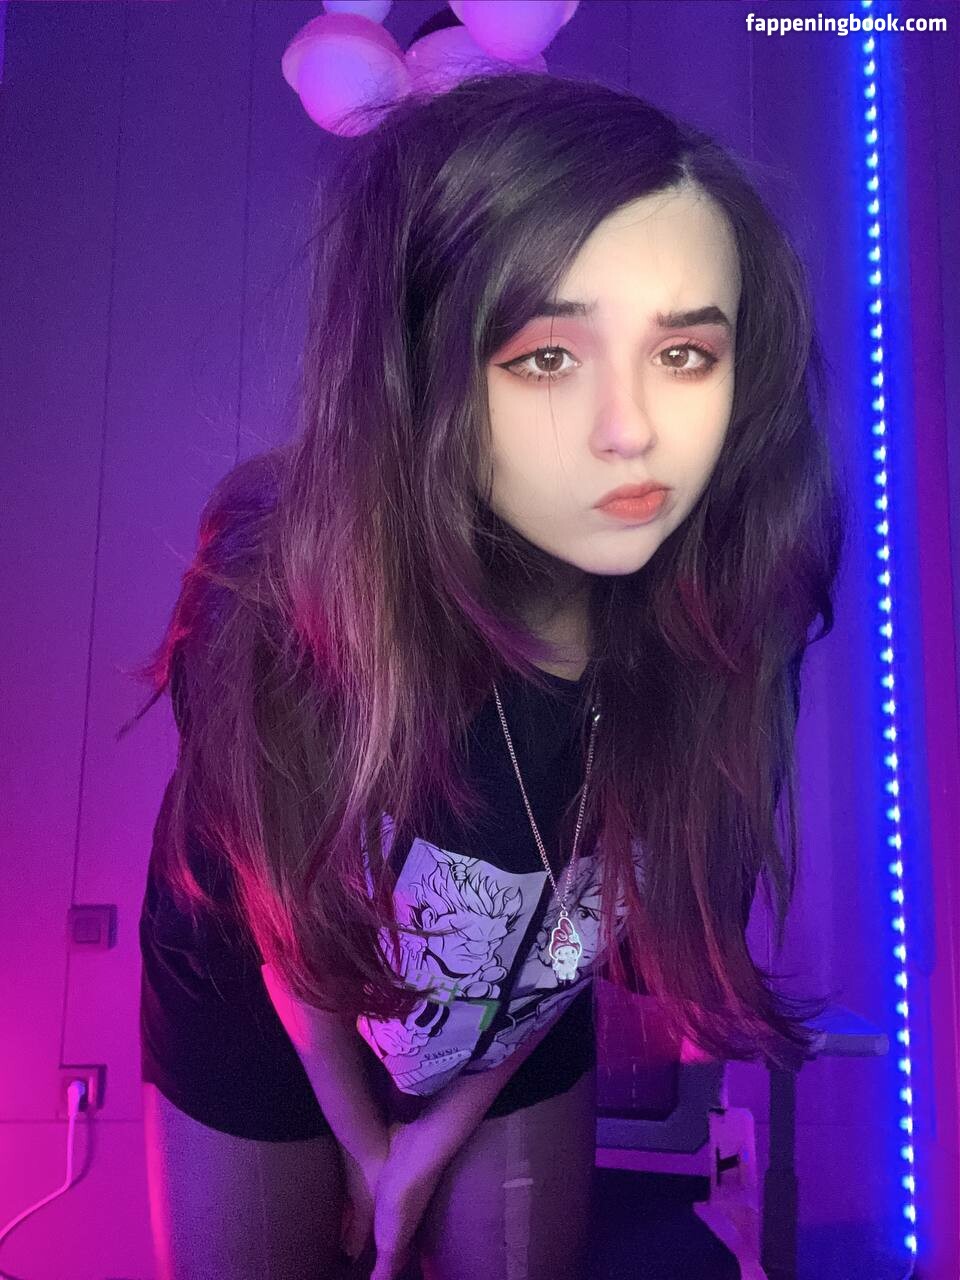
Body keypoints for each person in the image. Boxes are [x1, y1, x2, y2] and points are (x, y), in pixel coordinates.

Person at [129, 71, 848, 1280]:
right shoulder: (282, 575)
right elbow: (283, 916)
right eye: (551, 355)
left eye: (683, 351)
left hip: (510, 1003)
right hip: (265, 994)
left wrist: (431, 1141)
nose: (632, 430)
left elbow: (584, 926)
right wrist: (368, 1147)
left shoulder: (728, 620)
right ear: (429, 373)